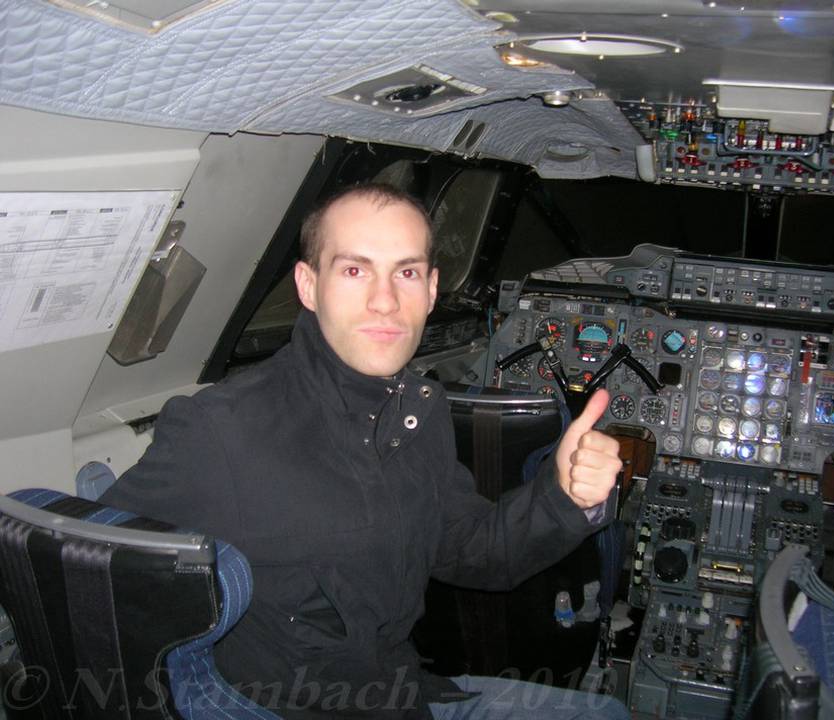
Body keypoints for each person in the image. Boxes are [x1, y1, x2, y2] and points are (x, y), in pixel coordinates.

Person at [102, 183, 630, 719]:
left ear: (430, 289)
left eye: (405, 272)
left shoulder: (419, 411)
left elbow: (473, 550)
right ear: (309, 286)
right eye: (354, 270)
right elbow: (92, 572)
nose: (385, 300)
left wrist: (562, 497)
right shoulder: (221, 429)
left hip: (402, 695)